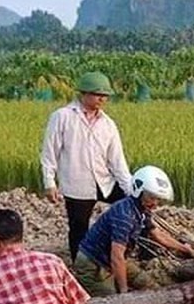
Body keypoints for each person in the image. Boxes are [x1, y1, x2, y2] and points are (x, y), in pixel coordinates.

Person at [74, 165, 194, 304]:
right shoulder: (124, 215)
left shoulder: (142, 210)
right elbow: (116, 256)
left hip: (113, 260)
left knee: (149, 285)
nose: (155, 202)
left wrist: (187, 249)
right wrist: (124, 292)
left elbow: (157, 234)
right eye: (151, 197)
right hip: (93, 264)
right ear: (138, 191)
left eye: (157, 199)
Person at [41, 71, 133, 263]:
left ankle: (124, 253)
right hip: (77, 184)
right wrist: (49, 181)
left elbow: (117, 161)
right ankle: (80, 266)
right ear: (84, 94)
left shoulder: (107, 124)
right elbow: (50, 151)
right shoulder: (62, 117)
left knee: (131, 210)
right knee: (78, 227)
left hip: (104, 182)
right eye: (98, 94)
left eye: (105, 95)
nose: (102, 99)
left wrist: (131, 189)